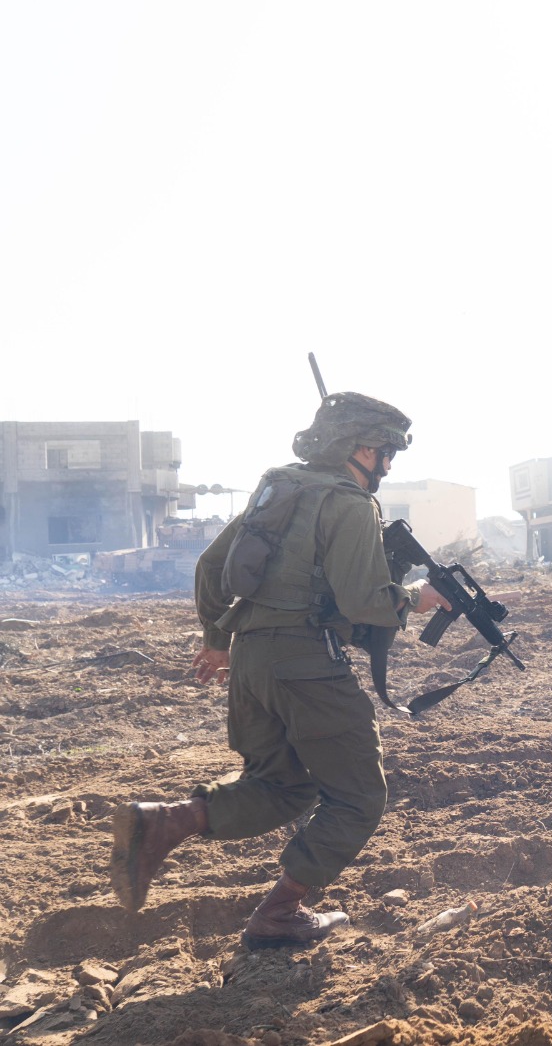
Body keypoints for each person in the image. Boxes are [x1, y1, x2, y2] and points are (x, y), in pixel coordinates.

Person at [109, 392, 449, 948]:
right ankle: (280, 913)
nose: (388, 465)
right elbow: (365, 600)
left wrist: (219, 640)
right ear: (361, 448)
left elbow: (212, 565)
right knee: (360, 796)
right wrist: (417, 598)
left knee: (283, 786)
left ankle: (166, 821)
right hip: (307, 665)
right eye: (386, 452)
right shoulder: (350, 503)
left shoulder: (279, 488)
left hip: (251, 662)